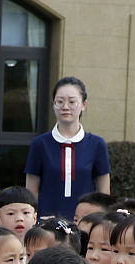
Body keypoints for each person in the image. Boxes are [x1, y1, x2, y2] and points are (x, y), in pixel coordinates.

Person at [24, 77, 111, 220]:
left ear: (83, 105)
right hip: (46, 224)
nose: (65, 107)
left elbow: (104, 192)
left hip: (85, 224)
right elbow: (31, 192)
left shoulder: (97, 144)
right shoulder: (40, 144)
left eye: (72, 102)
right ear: (53, 105)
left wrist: (101, 223)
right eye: (60, 101)